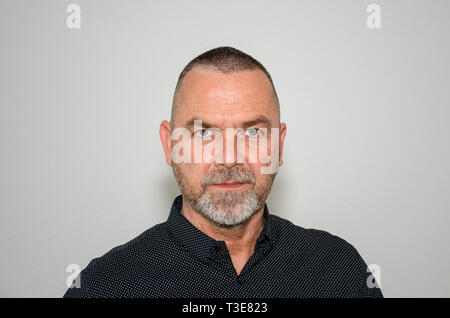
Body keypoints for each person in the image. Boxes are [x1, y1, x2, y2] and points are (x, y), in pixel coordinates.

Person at [64, 47, 383, 298]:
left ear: (279, 146)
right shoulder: (103, 287)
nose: (229, 158)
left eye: (254, 133)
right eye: (204, 133)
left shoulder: (341, 270)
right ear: (169, 145)